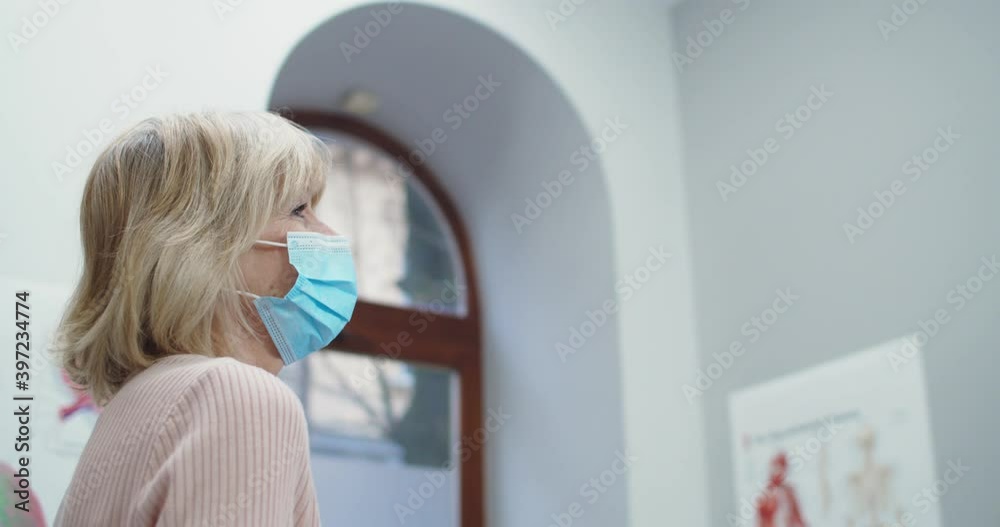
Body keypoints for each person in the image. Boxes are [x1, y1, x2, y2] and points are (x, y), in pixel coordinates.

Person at [52, 112, 358, 526]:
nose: (330, 236)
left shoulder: (134, 410)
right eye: (299, 209)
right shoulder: (233, 394)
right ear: (202, 248)